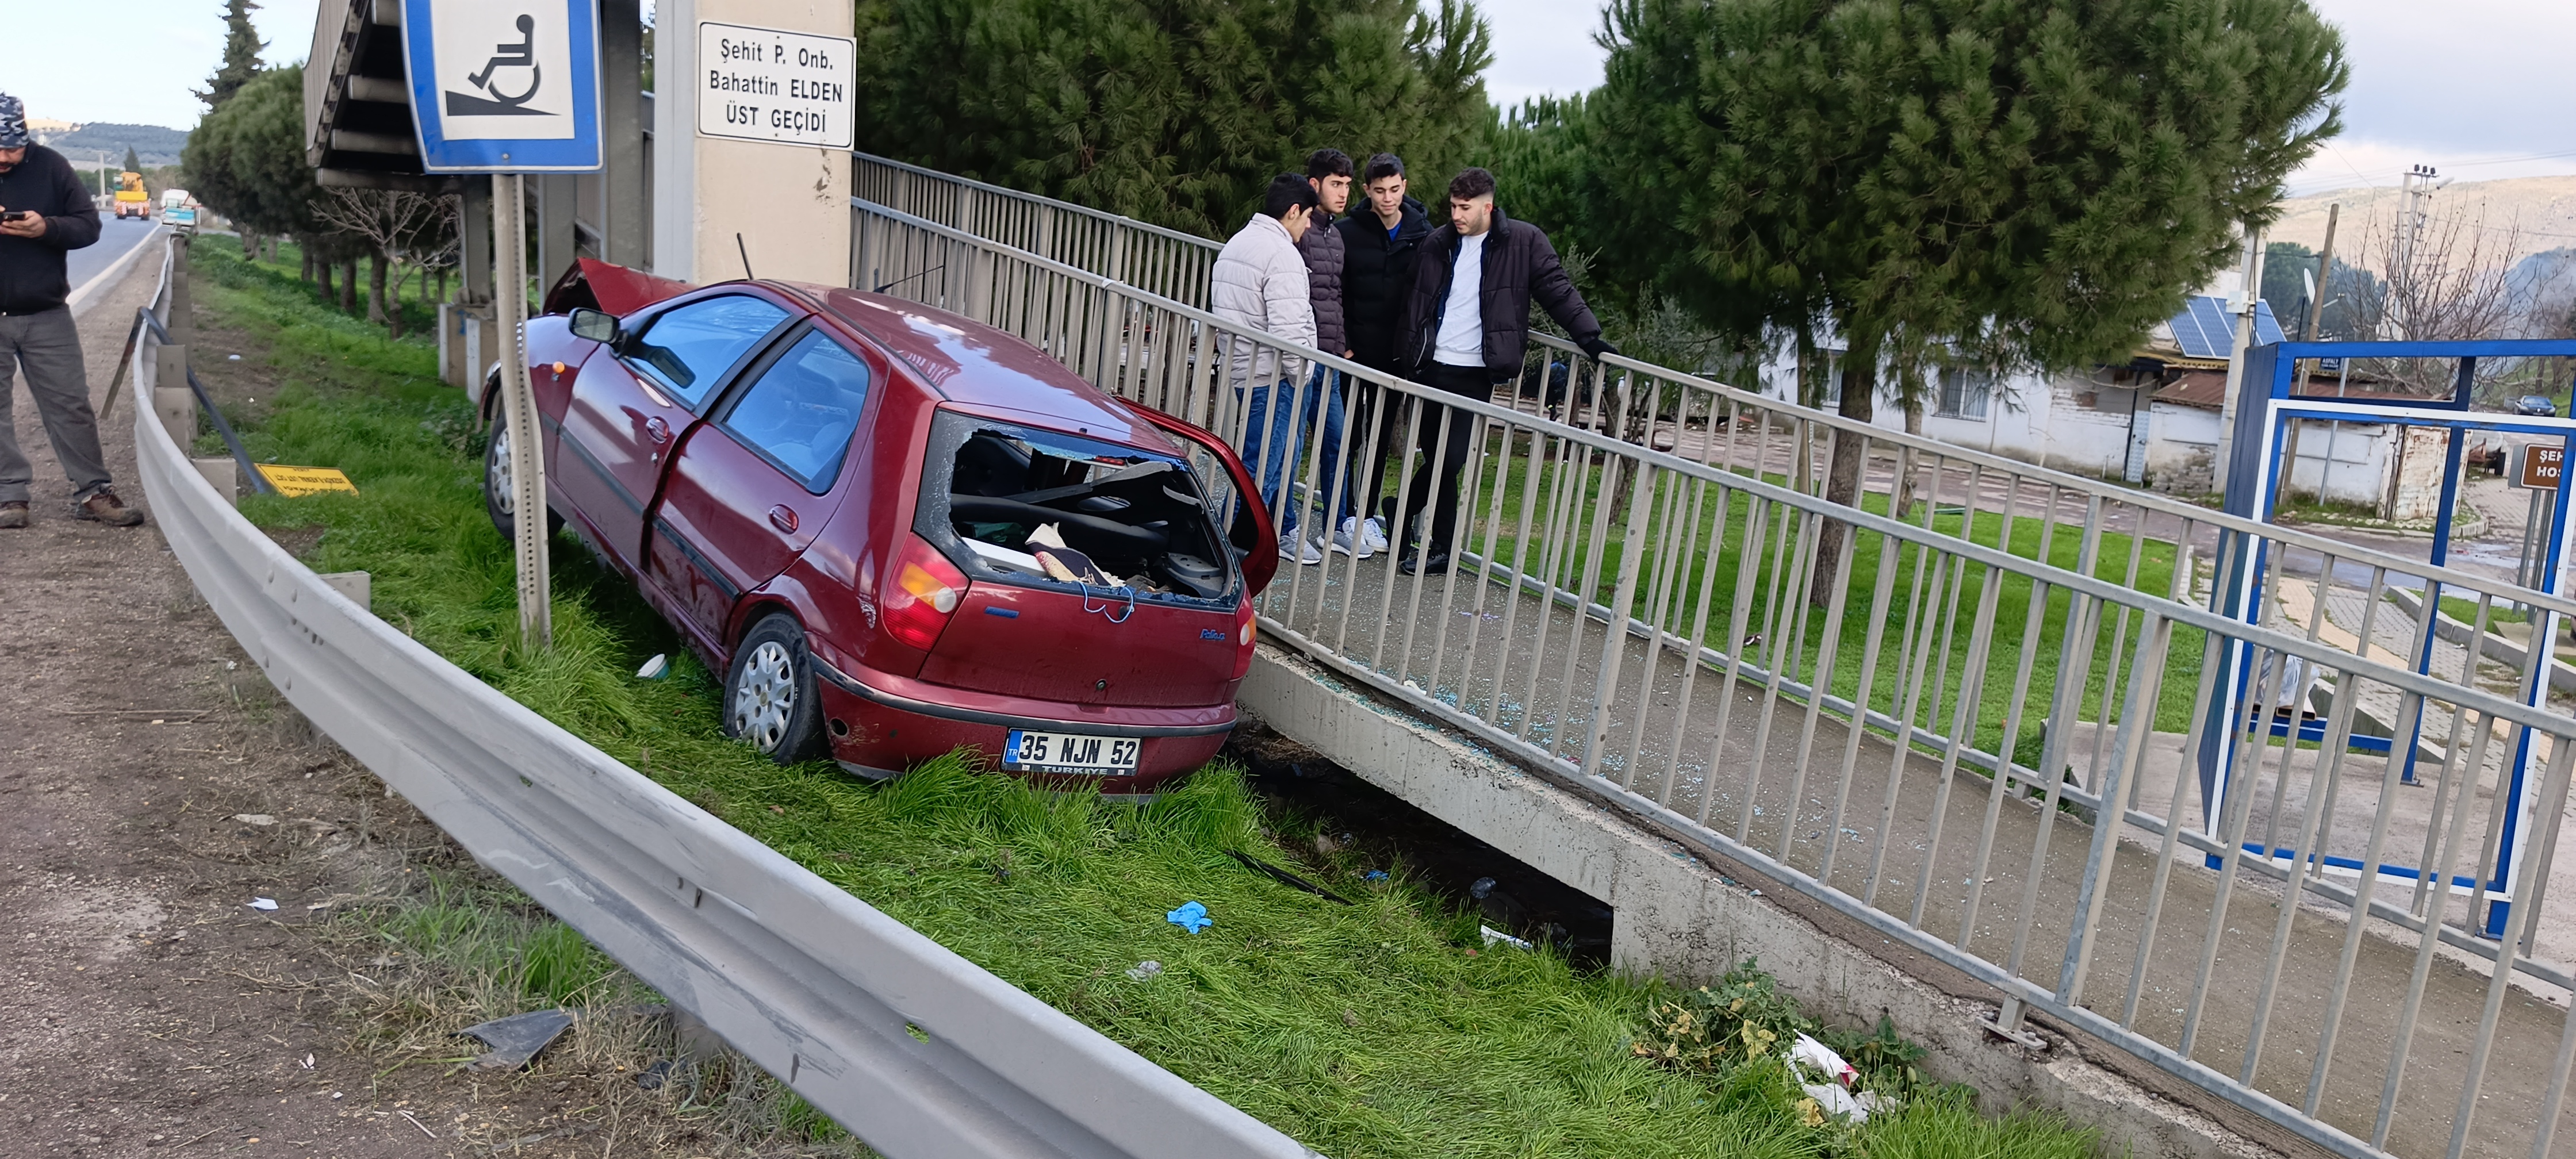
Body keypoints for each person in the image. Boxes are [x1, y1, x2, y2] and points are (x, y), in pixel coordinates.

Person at [1393, 167, 1614, 575]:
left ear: (1487, 207)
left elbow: (1557, 289)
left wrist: (1589, 337)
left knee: (1450, 460)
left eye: (1465, 208)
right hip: (1430, 367)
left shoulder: (1524, 242)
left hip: (1476, 370)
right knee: (1438, 458)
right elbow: (1413, 301)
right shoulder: (1437, 243)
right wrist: (1404, 355)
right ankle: (1435, 543)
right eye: (1453, 206)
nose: (1456, 215)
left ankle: (1404, 513)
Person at [0, 93, 141, 529]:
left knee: (71, 405)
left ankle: (93, 492)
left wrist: (47, 228)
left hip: (47, 313)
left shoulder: (52, 166)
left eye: (13, 148)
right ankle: (9, 497)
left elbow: (88, 226)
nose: (6, 157)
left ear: (26, 138)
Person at [1210, 172, 1328, 564]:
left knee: (1264, 464)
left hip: (1246, 369)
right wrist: (1302, 373)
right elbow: (1289, 329)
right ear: (1293, 211)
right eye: (1308, 216)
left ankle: (1245, 544)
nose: (1308, 225)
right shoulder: (1281, 254)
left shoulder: (1238, 243)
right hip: (1274, 375)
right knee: (1262, 473)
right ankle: (1227, 553)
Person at [1335, 152, 1431, 558]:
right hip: (1353, 353)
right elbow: (1332, 290)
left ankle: (1367, 513)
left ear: (1404, 187)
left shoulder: (1423, 235)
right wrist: (1342, 340)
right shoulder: (1347, 233)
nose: (1388, 198)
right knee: (1346, 435)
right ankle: (1342, 514)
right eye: (1379, 191)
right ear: (1367, 190)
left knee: (1379, 437)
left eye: (1394, 189)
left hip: (1396, 357)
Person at [1291, 148, 1362, 557]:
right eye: (1336, 184)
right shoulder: (1299, 230)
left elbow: (1335, 295)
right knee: (1291, 446)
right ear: (1315, 184)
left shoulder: (1335, 235)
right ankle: (1277, 527)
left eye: (1348, 186)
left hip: (1330, 358)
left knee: (1337, 440)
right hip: (1299, 357)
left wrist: (1343, 342)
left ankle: (1336, 525)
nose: (1343, 193)